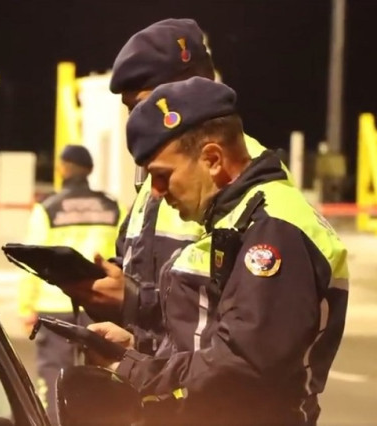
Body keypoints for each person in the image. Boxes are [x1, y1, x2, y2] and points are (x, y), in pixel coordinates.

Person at [86, 77, 348, 425]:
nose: (157, 192)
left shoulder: (273, 228)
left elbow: (244, 365)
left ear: (212, 159)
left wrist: (139, 370)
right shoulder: (237, 218)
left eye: (163, 176)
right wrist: (139, 351)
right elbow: (213, 344)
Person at [61, 18, 293, 357]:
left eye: (144, 105)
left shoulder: (249, 178)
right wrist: (106, 289)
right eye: (130, 110)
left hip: (193, 384)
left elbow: (235, 322)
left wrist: (133, 302)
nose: (136, 121)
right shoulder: (155, 179)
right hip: (154, 375)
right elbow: (139, 265)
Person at [17, 144, 124, 424]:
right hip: (99, 304)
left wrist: (26, 306)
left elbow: (34, 260)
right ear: (89, 170)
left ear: (63, 168)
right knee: (101, 377)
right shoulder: (112, 207)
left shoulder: (47, 208)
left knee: (54, 376)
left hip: (54, 304)